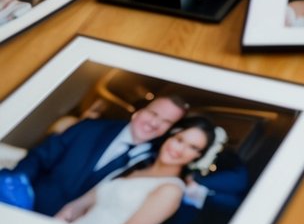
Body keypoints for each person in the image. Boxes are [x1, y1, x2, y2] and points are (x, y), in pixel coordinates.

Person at [9, 93, 188, 217]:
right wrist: (15, 192)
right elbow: (38, 158)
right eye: (153, 113)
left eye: (166, 122)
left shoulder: (154, 163)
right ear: (138, 112)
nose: (155, 123)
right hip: (27, 207)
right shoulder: (89, 128)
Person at [55, 115, 216, 224]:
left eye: (193, 147)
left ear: (197, 156)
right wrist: (61, 221)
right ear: (170, 136)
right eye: (179, 140)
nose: (180, 150)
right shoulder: (137, 164)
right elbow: (80, 204)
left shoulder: (171, 190)